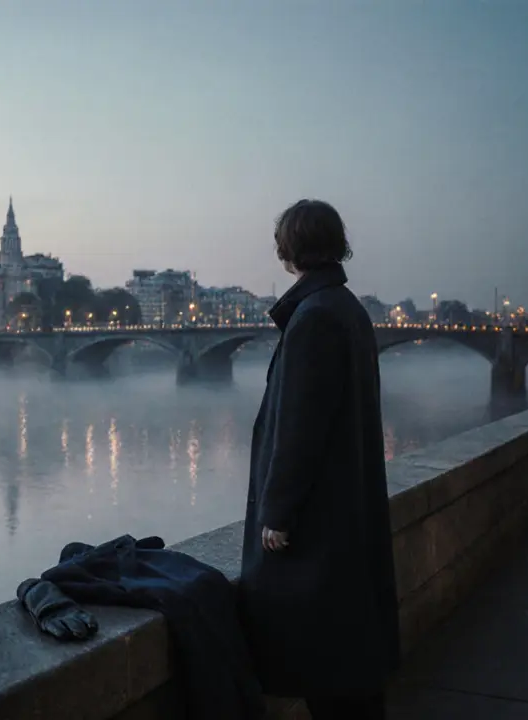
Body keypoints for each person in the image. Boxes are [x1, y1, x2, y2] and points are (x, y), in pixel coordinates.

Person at [238, 199, 400, 719]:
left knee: (323, 664)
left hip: (317, 520)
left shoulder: (313, 317)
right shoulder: (346, 308)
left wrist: (278, 511)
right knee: (349, 665)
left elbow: (301, 424)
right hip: (344, 505)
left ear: (289, 250)